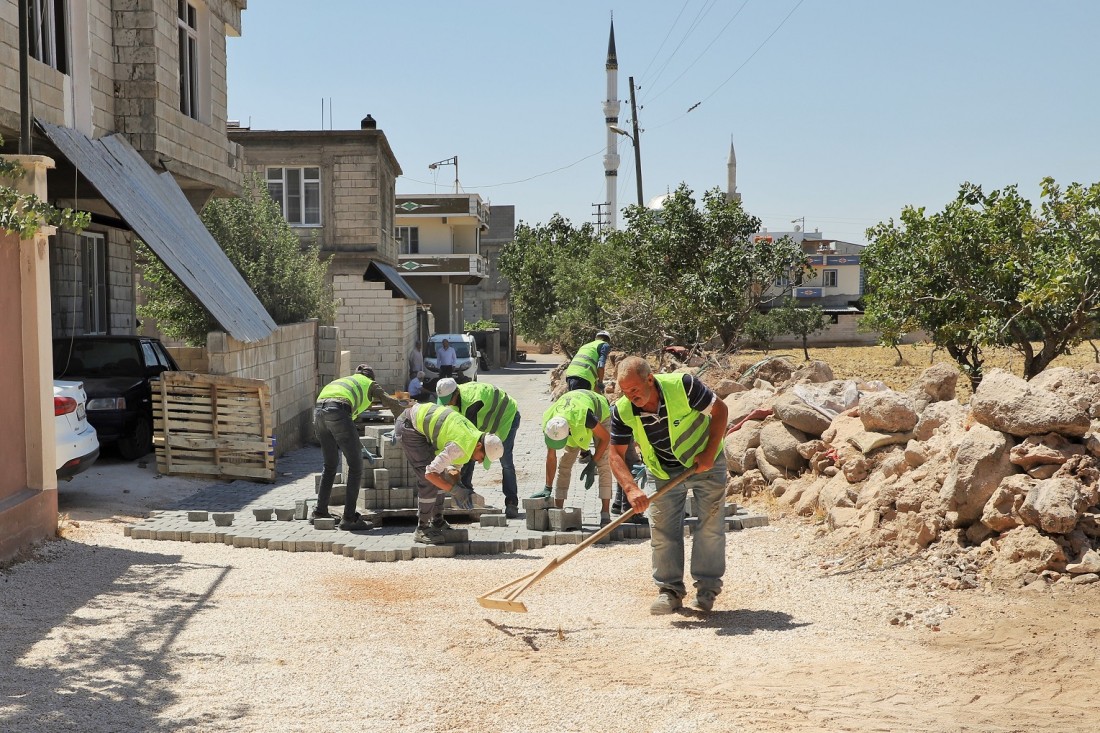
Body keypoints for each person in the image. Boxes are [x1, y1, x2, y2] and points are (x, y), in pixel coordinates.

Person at [608, 356, 729, 615]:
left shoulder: (683, 386)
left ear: (649, 379)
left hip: (704, 460)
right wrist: (631, 488)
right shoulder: (621, 410)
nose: (630, 397)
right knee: (662, 530)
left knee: (710, 526)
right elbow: (615, 454)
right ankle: (669, 591)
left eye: (634, 390)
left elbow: (721, 410)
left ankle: (707, 589)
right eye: (625, 392)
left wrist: (708, 454)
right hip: (663, 469)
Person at [394, 401, 504, 545]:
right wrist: (455, 490)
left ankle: (437, 521)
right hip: (409, 427)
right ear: (479, 446)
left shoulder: (472, 438)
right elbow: (430, 473)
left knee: (441, 477)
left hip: (420, 426)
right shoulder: (460, 445)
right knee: (429, 480)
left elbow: (453, 469)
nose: (480, 462)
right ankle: (422, 528)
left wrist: (458, 484)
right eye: (482, 458)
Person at [314, 364, 406, 531]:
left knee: (330, 465)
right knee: (356, 467)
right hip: (338, 411)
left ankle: (320, 512)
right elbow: (391, 403)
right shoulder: (369, 383)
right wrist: (401, 423)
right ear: (372, 378)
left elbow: (346, 427)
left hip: (319, 412)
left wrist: (358, 445)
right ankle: (349, 518)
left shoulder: (345, 381)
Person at [436, 377, 521, 518]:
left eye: (449, 400)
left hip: (507, 417)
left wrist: (455, 469)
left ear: (455, 393)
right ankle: (466, 488)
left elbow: (470, 442)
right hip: (489, 419)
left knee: (505, 460)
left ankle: (511, 502)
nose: (448, 404)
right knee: (470, 451)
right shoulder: (450, 397)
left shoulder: (472, 403)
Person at [531, 389, 614, 525]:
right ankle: (558, 510)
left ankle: (605, 512)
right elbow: (551, 457)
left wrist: (593, 462)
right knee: (565, 464)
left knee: (603, 463)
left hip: (598, 409)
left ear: (569, 430)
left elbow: (605, 438)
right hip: (572, 413)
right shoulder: (551, 424)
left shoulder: (584, 417)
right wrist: (548, 487)